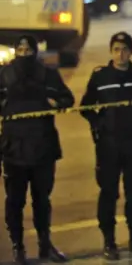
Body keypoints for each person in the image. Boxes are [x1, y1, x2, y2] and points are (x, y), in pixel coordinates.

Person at [80, 32, 132, 260]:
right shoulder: (101, 76)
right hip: (109, 145)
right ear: (111, 51)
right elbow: (86, 107)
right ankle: (109, 242)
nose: (120, 53)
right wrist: (100, 124)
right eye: (116, 49)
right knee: (108, 193)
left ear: (131, 52)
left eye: (125, 49)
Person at [0, 35, 74, 264]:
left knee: (42, 199)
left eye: (28, 49)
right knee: (15, 201)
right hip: (14, 148)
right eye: (20, 49)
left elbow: (67, 98)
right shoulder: (4, 75)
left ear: (35, 50)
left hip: (42, 146)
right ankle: (18, 247)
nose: (24, 53)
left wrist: (55, 102)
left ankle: (45, 245)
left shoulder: (47, 73)